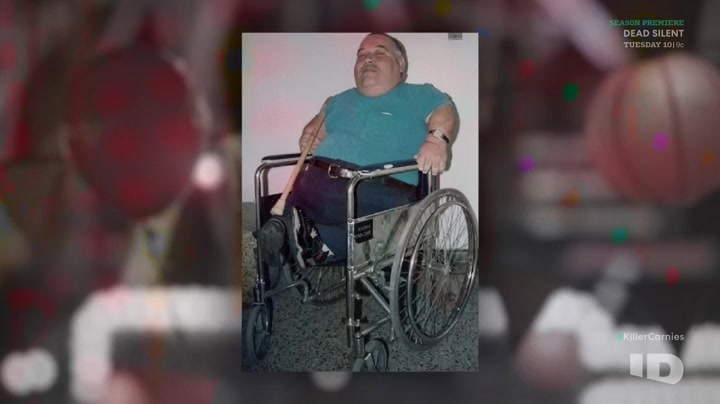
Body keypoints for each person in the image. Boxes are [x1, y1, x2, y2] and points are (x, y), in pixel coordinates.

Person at [258, 33, 459, 269]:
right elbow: (314, 130)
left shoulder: (421, 94)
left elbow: (444, 111)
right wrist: (308, 137)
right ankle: (297, 238)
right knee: (271, 213)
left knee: (288, 228)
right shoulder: (337, 101)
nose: (368, 59)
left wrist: (436, 141)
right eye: (361, 55)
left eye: (379, 53)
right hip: (312, 186)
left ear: (401, 65)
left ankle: (310, 240)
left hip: (373, 191)